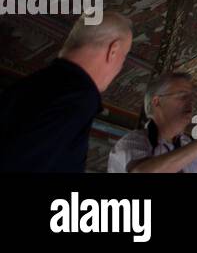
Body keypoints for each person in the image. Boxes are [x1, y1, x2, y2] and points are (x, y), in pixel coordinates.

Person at [0, 11, 134, 172]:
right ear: (113, 50)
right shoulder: (78, 97)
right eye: (124, 57)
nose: (121, 67)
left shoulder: (31, 85)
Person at [107, 71, 197, 173]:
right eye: (182, 96)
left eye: (191, 97)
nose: (190, 102)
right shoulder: (133, 143)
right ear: (157, 102)